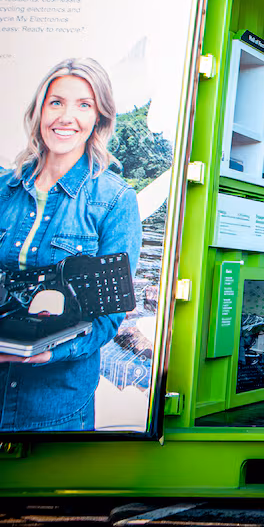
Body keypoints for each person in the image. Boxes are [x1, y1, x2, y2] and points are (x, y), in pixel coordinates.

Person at [0, 58, 142, 432]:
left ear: (99, 118)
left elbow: (109, 318)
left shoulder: (115, 200)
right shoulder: (3, 189)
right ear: (40, 110)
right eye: (56, 102)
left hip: (54, 410)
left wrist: (50, 351)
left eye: (84, 105)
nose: (66, 117)